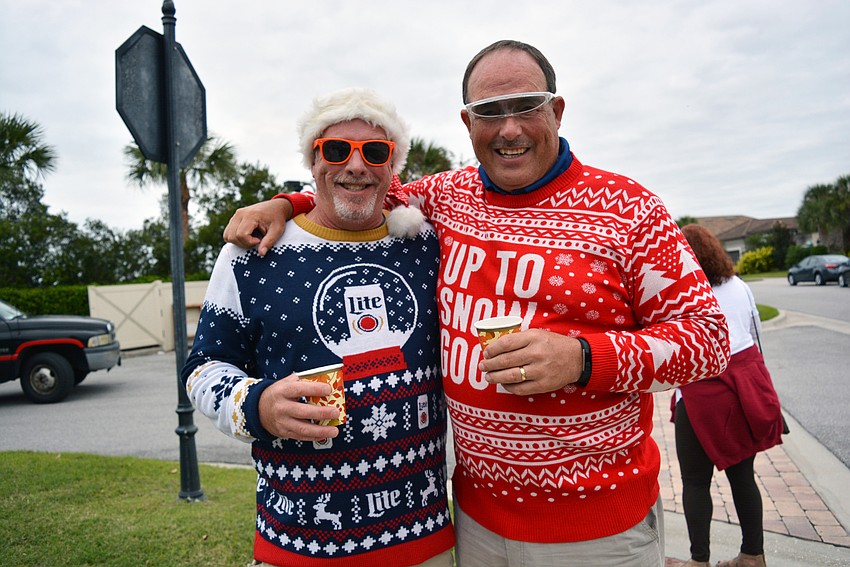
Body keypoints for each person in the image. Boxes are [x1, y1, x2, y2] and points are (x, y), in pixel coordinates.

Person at [224, 40, 730, 567]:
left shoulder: (629, 209)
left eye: (526, 106)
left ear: (556, 111)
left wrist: (581, 357)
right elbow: (360, 189)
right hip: (474, 522)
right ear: (468, 123)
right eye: (490, 112)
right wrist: (286, 202)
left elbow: (710, 340)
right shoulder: (447, 196)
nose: (508, 128)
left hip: (596, 531)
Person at [181, 87, 455, 567]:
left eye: (375, 152)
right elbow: (203, 367)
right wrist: (255, 405)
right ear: (313, 160)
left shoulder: (426, 243)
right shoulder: (252, 252)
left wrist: (286, 200)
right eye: (335, 150)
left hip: (422, 540)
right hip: (299, 542)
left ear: (393, 168)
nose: (355, 165)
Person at [672, 225, 784, 567]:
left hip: (699, 395)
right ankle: (753, 555)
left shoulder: (681, 293)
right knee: (742, 477)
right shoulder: (739, 287)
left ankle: (699, 561)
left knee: (695, 482)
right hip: (741, 393)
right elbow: (754, 334)